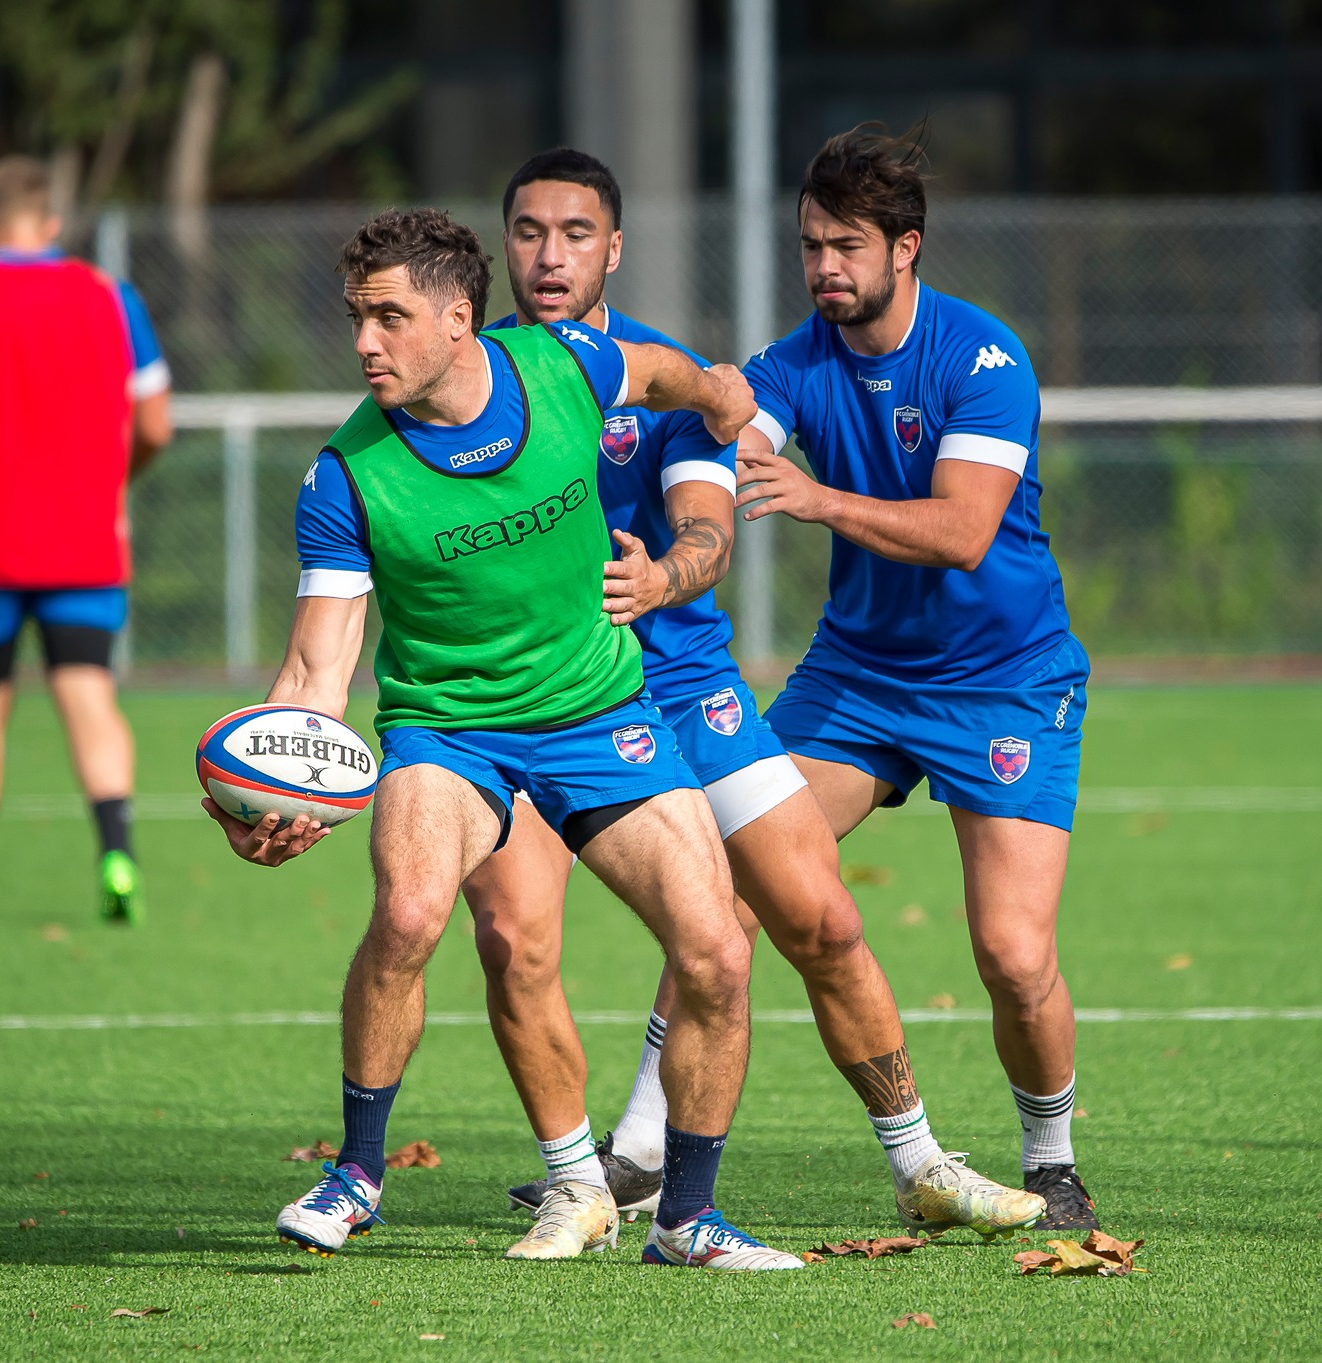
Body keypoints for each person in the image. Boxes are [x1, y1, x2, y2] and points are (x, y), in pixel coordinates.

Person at [467, 149, 1043, 1244]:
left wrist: (667, 573)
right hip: (530, 701)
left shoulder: (676, 375)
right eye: (529, 232)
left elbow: (709, 523)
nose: (550, 255)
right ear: (503, 246)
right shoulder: (470, 380)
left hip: (682, 684)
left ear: (614, 249)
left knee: (817, 914)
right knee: (514, 937)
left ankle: (917, 1160)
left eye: (576, 233)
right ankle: (583, 1180)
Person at [208, 207, 798, 1270]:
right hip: (450, 730)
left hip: (600, 712)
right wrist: (280, 777)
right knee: (410, 914)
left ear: (456, 318)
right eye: (356, 318)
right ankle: (357, 1173)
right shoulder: (348, 475)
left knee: (715, 949)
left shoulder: (562, 364)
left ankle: (686, 1219)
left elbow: (658, 371)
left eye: (388, 317)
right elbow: (316, 668)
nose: (364, 343)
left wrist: (717, 392)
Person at [735, 127, 1100, 1231]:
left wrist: (816, 499)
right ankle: (647, 1150)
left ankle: (1049, 1159)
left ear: (908, 248)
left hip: (1002, 679)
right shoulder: (791, 362)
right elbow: (727, 441)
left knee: (1011, 952)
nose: (822, 268)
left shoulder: (980, 358)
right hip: (857, 674)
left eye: (845, 246)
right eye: (808, 245)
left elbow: (961, 530)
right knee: (731, 876)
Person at [0, 154, 173, 926]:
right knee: (89, 695)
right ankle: (117, 854)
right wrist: (114, 480)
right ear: (52, 224)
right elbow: (156, 423)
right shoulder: (111, 295)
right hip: (86, 541)